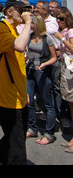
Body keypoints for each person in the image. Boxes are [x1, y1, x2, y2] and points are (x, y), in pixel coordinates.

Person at [0, 0, 32, 165]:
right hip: (7, 94)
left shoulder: (15, 29)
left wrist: (24, 89)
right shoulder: (0, 28)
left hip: (19, 92)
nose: (25, 12)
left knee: (17, 136)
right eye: (20, 9)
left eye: (26, 9)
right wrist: (28, 23)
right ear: (9, 12)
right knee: (17, 149)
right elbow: (19, 46)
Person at [26, 15, 57, 144]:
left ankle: (49, 134)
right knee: (28, 100)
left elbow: (54, 57)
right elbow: (27, 52)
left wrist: (44, 64)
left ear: (37, 24)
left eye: (31, 23)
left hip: (42, 71)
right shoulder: (30, 36)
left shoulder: (47, 38)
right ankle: (32, 128)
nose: (29, 25)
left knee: (48, 103)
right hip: (31, 70)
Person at [34, 0, 65, 125]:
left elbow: (62, 35)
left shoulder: (54, 21)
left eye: (38, 8)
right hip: (41, 58)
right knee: (44, 87)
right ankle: (48, 112)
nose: (36, 10)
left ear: (44, 10)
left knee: (56, 87)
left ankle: (61, 114)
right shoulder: (36, 21)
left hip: (55, 56)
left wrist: (59, 50)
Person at [53, 9, 73, 153]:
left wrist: (61, 38)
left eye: (62, 19)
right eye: (57, 19)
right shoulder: (66, 32)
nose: (59, 21)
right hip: (65, 68)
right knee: (70, 102)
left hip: (71, 68)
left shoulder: (70, 32)